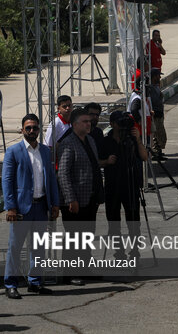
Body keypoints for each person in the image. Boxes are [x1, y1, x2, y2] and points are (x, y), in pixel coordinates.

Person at [3, 114, 60, 299]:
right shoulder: (14, 151)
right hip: (21, 209)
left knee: (38, 247)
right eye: (28, 128)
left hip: (41, 205)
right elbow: (7, 181)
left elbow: (51, 178)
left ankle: (35, 282)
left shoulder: (44, 151)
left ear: (39, 130)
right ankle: (11, 283)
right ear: (22, 130)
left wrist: (55, 203)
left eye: (35, 128)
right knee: (15, 248)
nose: (31, 131)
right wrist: (10, 207)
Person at [57, 107, 104, 285]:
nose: (89, 123)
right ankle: (70, 273)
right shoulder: (68, 143)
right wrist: (70, 198)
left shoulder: (90, 140)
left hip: (90, 197)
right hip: (75, 200)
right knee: (74, 237)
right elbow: (63, 173)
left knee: (87, 235)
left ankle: (85, 268)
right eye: (85, 121)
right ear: (75, 124)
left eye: (89, 121)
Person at [99, 111, 148, 260]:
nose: (122, 126)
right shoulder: (105, 141)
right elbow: (96, 162)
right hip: (113, 186)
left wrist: (138, 140)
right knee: (114, 223)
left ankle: (135, 253)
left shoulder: (131, 140)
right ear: (112, 124)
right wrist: (107, 162)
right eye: (119, 122)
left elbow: (144, 157)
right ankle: (118, 253)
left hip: (130, 184)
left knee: (134, 223)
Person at [149, 68, 168, 160]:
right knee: (157, 135)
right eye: (158, 75)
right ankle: (156, 153)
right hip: (155, 115)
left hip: (160, 114)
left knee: (161, 135)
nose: (159, 77)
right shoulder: (150, 88)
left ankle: (159, 152)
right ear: (154, 76)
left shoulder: (156, 86)